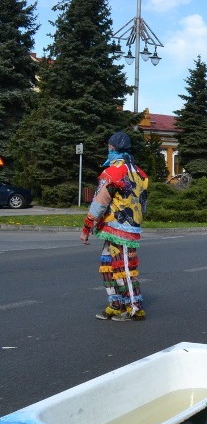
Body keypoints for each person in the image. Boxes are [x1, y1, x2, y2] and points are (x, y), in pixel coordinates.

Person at [80, 131, 149, 321]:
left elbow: (99, 202)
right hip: (119, 228)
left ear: (113, 148)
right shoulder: (140, 173)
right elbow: (143, 203)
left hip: (120, 228)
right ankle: (116, 304)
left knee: (124, 267)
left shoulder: (113, 172)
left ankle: (134, 308)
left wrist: (87, 228)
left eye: (109, 147)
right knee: (109, 266)